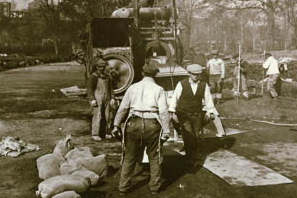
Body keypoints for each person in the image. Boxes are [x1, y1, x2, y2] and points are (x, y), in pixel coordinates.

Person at [111, 63, 170, 196]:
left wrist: (116, 125)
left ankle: (123, 187)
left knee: (129, 156)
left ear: (142, 73)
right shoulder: (159, 89)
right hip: (152, 124)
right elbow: (164, 111)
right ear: (156, 74)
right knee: (154, 156)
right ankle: (154, 187)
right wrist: (166, 130)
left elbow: (123, 108)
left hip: (134, 123)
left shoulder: (133, 88)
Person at [169, 64, 224, 164]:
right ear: (189, 74)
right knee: (188, 134)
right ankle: (190, 157)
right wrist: (172, 112)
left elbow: (208, 100)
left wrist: (211, 111)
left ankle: (190, 152)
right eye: (194, 74)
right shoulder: (182, 84)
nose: (196, 76)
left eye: (198, 75)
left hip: (196, 113)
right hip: (183, 113)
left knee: (195, 135)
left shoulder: (203, 85)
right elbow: (174, 98)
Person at [88, 58, 116, 141]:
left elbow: (111, 88)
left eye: (103, 67)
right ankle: (95, 134)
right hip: (98, 98)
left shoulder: (107, 76)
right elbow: (89, 89)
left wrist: (112, 98)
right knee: (98, 116)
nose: (102, 68)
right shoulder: (93, 77)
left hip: (107, 97)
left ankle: (107, 132)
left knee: (108, 116)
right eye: (100, 67)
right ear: (97, 67)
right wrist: (92, 99)